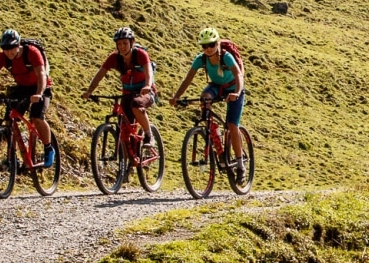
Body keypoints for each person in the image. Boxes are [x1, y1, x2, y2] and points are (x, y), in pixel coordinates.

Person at [0, 28, 55, 167]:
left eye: (11, 48)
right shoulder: (2, 57)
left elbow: (41, 75)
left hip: (41, 86)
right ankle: (12, 156)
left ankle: (48, 148)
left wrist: (39, 93)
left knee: (36, 117)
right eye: (5, 48)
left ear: (18, 45)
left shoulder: (32, 52)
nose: (8, 51)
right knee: (9, 119)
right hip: (22, 88)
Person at [169, 26, 247, 167]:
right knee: (204, 99)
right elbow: (188, 79)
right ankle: (218, 147)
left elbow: (238, 75)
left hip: (234, 87)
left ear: (217, 44)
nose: (208, 49)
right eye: (205, 46)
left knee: (232, 124)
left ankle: (240, 163)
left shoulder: (226, 57)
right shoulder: (201, 59)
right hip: (217, 86)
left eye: (211, 44)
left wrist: (236, 92)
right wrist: (176, 97)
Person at [83, 26, 155, 148]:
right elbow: (100, 74)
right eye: (119, 43)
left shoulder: (140, 54)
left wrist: (148, 85)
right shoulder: (114, 58)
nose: (122, 46)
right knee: (124, 132)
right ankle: (128, 165)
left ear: (132, 42)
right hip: (127, 93)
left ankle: (149, 135)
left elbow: (149, 71)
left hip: (146, 92)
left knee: (137, 105)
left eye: (125, 43)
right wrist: (89, 91)